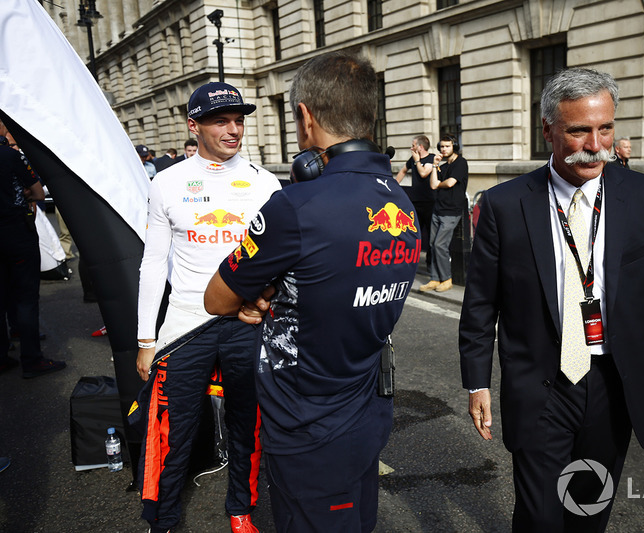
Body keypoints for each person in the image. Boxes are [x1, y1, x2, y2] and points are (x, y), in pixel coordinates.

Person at [459, 68, 644, 532]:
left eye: (605, 128)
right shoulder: (505, 204)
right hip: (540, 385)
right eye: (579, 131)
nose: (596, 143)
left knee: (589, 511)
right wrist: (476, 381)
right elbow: (480, 303)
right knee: (541, 517)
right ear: (548, 129)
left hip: (616, 383)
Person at [204, 51, 419, 533]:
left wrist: (258, 294)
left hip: (307, 425)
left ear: (305, 117)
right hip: (366, 413)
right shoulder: (403, 203)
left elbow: (216, 299)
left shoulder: (296, 205)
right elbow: (338, 279)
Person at [135, 82, 281, 533]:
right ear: (193, 126)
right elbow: (153, 264)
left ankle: (241, 509)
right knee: (172, 430)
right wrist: (144, 339)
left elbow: (280, 259)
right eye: (222, 120)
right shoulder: (167, 182)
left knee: (247, 425)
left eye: (239, 120)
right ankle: (164, 517)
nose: (233, 129)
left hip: (245, 324)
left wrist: (263, 298)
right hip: (183, 326)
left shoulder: (265, 183)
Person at [0, 133, 65, 378]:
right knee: (26, 296)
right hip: (15, 232)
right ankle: (32, 359)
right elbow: (39, 193)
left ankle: (2, 357)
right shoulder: (10, 155)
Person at [419, 133, 468, 293]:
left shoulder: (461, 163)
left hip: (451, 211)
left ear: (454, 146)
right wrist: (434, 165)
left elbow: (450, 183)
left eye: (447, 146)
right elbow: (434, 185)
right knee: (433, 245)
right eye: (442, 146)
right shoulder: (442, 166)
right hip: (438, 209)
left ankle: (446, 279)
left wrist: (441, 183)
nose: (444, 149)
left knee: (441, 245)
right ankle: (435, 278)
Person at [395, 135, 435, 272]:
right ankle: (410, 261)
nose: (411, 148)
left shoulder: (432, 158)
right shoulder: (412, 159)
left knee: (431, 236)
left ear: (420, 147)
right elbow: (403, 171)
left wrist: (418, 161)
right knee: (412, 233)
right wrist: (393, 187)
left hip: (430, 202)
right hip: (415, 203)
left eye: (413, 145)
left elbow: (424, 173)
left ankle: (430, 265)